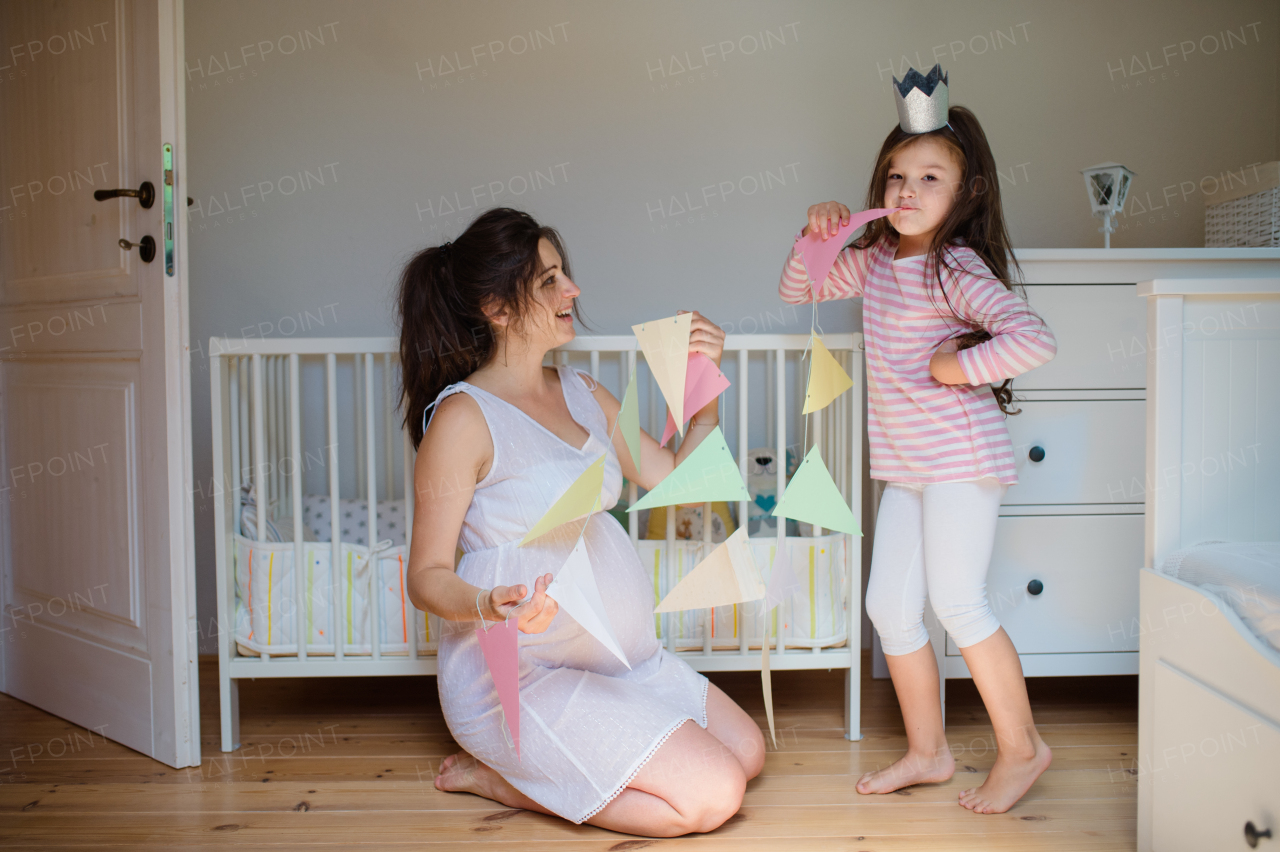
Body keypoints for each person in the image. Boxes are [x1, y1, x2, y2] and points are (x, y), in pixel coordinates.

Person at [400, 207, 764, 836]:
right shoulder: (463, 419)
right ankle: (504, 781)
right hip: (522, 679)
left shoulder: (586, 393)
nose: (572, 290)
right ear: (498, 308)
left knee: (750, 752)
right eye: (548, 281)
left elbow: (672, 474)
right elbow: (425, 576)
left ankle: (549, 773)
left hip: (623, 661)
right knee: (716, 794)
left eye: (563, 274)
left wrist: (701, 384)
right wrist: (491, 603)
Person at [777, 67, 1058, 814]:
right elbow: (799, 289)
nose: (906, 190)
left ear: (964, 194)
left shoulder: (953, 266)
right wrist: (819, 235)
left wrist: (957, 366)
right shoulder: (874, 263)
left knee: (959, 604)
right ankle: (929, 752)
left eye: (929, 177)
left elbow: (1033, 340)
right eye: (896, 175)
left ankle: (1023, 749)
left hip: (961, 460)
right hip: (907, 468)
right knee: (889, 610)